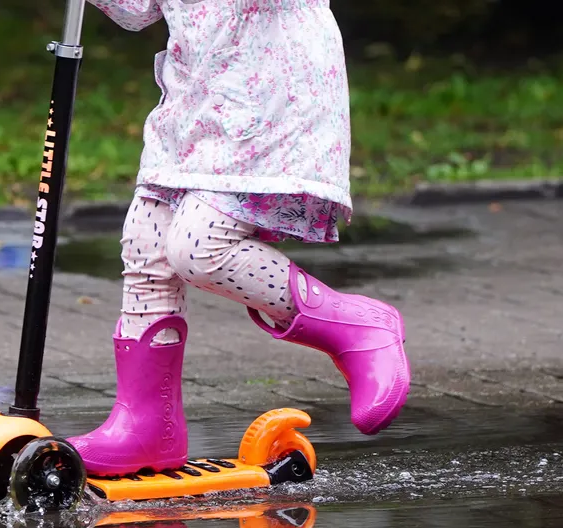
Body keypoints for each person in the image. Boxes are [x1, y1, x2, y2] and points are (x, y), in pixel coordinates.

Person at [70, 0, 411, 476]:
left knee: (198, 247)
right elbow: (138, 9)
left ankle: (354, 325)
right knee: (147, 244)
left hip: (269, 95)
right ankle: (147, 427)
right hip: (197, 99)